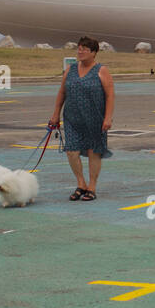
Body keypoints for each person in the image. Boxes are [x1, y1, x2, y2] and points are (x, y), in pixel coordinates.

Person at [49, 36, 115, 201]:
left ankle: (92, 186)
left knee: (94, 151)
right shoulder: (70, 70)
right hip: (72, 118)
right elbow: (62, 92)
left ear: (93, 53)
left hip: (95, 118)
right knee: (71, 151)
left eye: (84, 49)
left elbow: (110, 95)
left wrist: (108, 118)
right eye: (79, 48)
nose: (80, 51)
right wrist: (55, 114)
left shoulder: (101, 70)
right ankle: (81, 184)